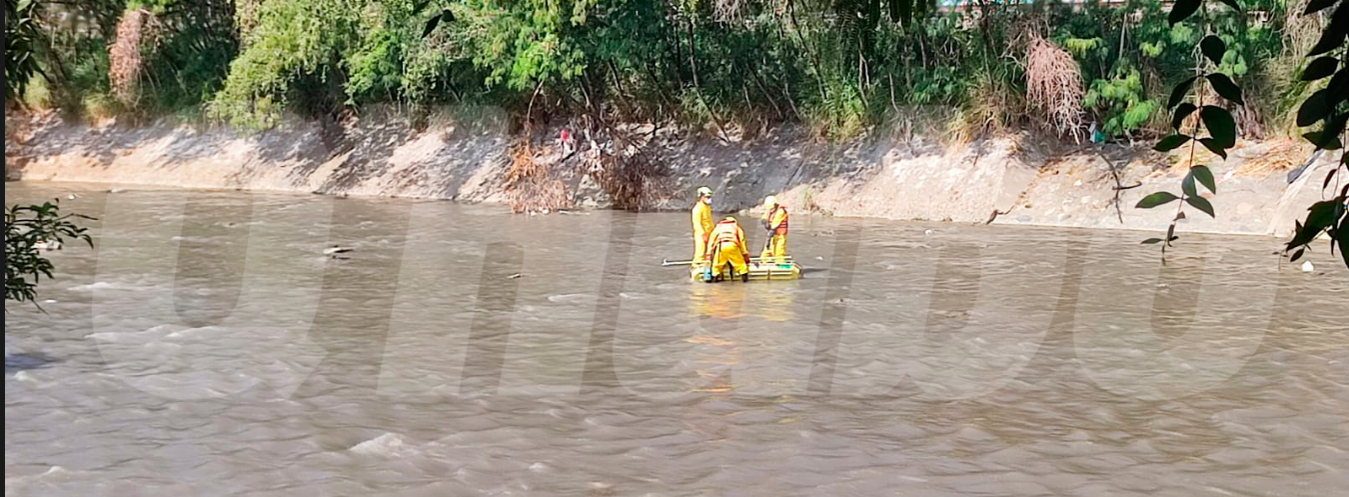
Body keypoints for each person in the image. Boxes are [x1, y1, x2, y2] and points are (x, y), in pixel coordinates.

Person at [705, 215, 751, 282]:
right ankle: (745, 280)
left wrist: (708, 254)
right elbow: (742, 242)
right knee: (740, 265)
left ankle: (714, 280)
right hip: (732, 246)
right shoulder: (737, 228)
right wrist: (745, 254)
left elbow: (711, 241)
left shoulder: (718, 227)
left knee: (716, 266)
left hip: (721, 246)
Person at [758, 194, 789, 265]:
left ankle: (780, 265)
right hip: (772, 235)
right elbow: (765, 216)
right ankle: (763, 263)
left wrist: (768, 238)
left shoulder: (781, 211)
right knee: (766, 250)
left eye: (771, 209)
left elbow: (775, 224)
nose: (770, 210)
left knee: (779, 252)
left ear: (775, 205)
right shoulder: (770, 210)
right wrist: (764, 221)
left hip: (780, 236)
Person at [691, 186, 714, 262]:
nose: (709, 198)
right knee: (700, 252)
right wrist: (703, 234)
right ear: (701, 196)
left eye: (710, 197)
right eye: (707, 197)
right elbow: (697, 224)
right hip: (701, 235)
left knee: (710, 252)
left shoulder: (707, 207)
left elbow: (709, 221)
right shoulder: (697, 209)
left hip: (709, 233)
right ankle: (697, 265)